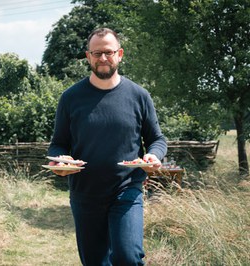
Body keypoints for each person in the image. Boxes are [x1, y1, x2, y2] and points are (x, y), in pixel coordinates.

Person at [47, 28, 167, 265]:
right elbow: (58, 143)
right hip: (85, 193)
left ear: (119, 54)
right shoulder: (70, 97)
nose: (103, 58)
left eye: (108, 52)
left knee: (128, 257)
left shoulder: (139, 96)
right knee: (95, 262)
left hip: (126, 189)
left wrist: (153, 156)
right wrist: (59, 162)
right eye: (97, 53)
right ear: (88, 56)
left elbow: (157, 139)